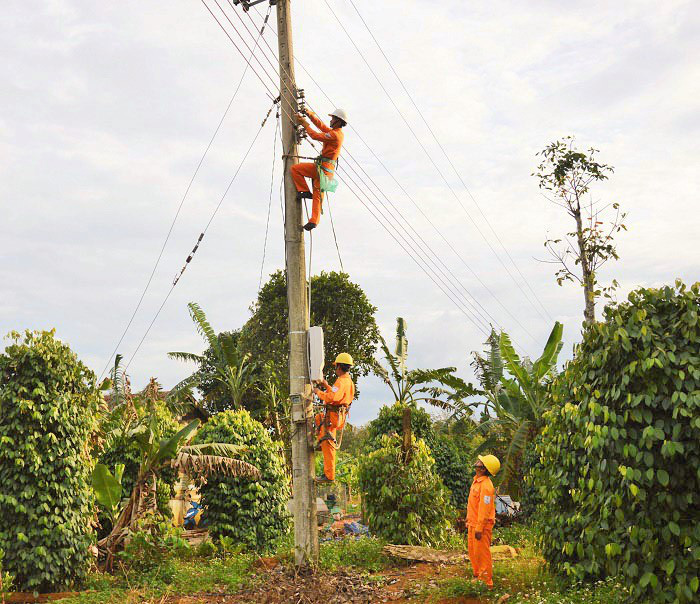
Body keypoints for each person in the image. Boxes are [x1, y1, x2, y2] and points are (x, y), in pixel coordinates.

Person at [291, 108, 348, 231]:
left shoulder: (334, 135)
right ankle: (314, 221)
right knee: (317, 196)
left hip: (323, 168)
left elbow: (314, 135)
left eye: (333, 118)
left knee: (296, 169)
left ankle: (304, 190)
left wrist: (305, 124)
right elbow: (321, 126)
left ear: (338, 121)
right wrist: (309, 114)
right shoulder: (337, 133)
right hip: (327, 170)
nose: (331, 120)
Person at [312, 352, 355, 482]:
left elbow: (332, 397)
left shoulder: (342, 382)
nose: (335, 369)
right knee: (319, 418)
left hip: (334, 417)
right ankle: (320, 442)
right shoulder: (347, 381)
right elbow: (336, 394)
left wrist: (318, 392)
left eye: (336, 366)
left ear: (340, 367)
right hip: (336, 416)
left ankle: (329, 475)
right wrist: (325, 385)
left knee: (328, 443)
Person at [467, 454, 500, 588]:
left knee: (482, 553)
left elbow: (485, 509)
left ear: (483, 468)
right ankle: (478, 575)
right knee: (474, 552)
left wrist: (480, 528)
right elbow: (473, 504)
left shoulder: (486, 486)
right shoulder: (476, 481)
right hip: (473, 523)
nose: (477, 461)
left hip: (481, 526)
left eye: (481, 461)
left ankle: (486, 581)